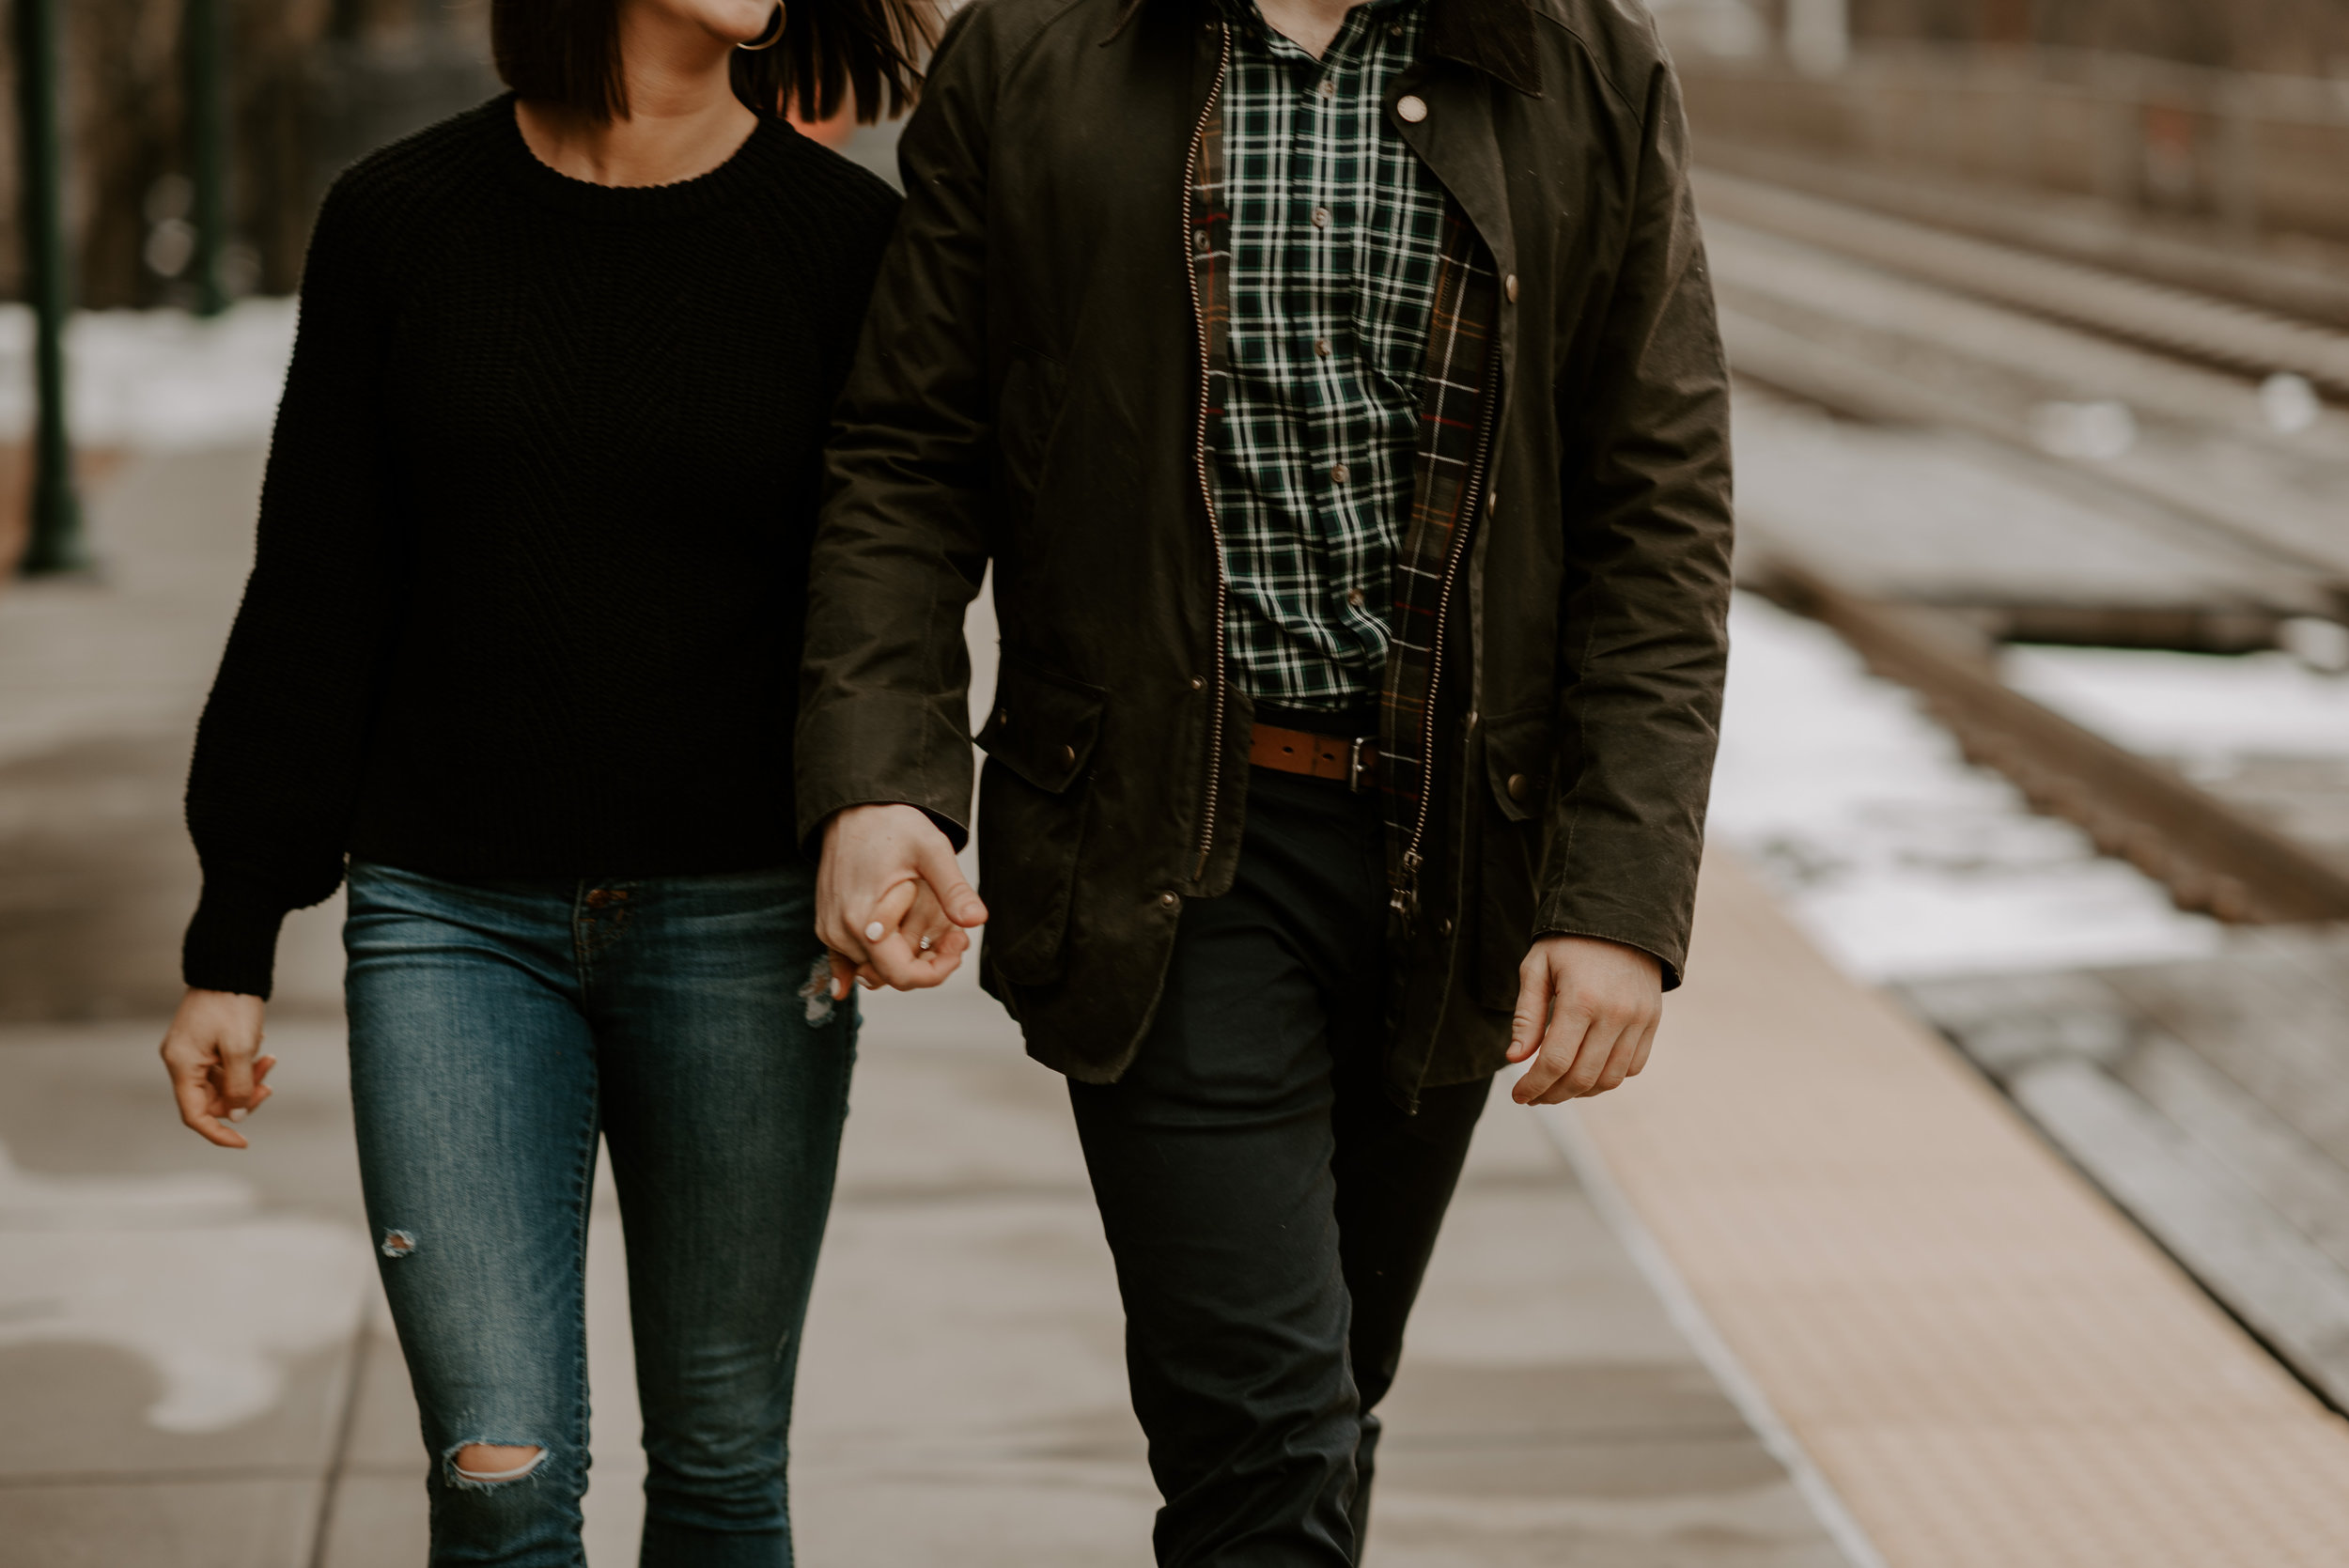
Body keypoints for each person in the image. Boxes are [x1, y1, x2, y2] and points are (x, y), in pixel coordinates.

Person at [799, 0, 1733, 1556]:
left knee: (1325, 1404)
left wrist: (1621, 890)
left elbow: (1659, 502)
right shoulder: (1038, 52)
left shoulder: (1581, 61)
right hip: (1171, 844)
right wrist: (881, 773)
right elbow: (906, 447)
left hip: (1455, 854)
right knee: (1269, 1440)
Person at [155, 0, 934, 1561]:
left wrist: (898, 805)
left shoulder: (851, 242)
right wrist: (232, 934)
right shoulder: (398, 220)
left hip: (742, 927)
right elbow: (318, 588)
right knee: (497, 1480)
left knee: (720, 1469)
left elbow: (894, 584)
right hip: (454, 923)